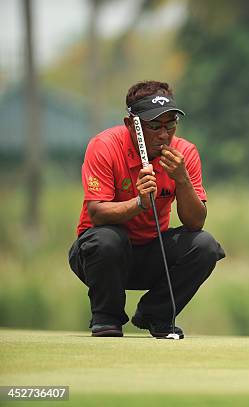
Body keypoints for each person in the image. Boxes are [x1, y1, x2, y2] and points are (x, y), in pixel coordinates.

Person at [68, 80, 225, 338]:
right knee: (108, 239)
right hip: (100, 257)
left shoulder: (184, 152)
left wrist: (182, 179)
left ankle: (156, 314)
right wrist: (139, 203)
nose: (164, 134)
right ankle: (106, 317)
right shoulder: (104, 146)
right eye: (154, 126)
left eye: (170, 125)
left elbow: (195, 223)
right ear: (131, 124)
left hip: (151, 251)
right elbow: (96, 213)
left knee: (205, 245)